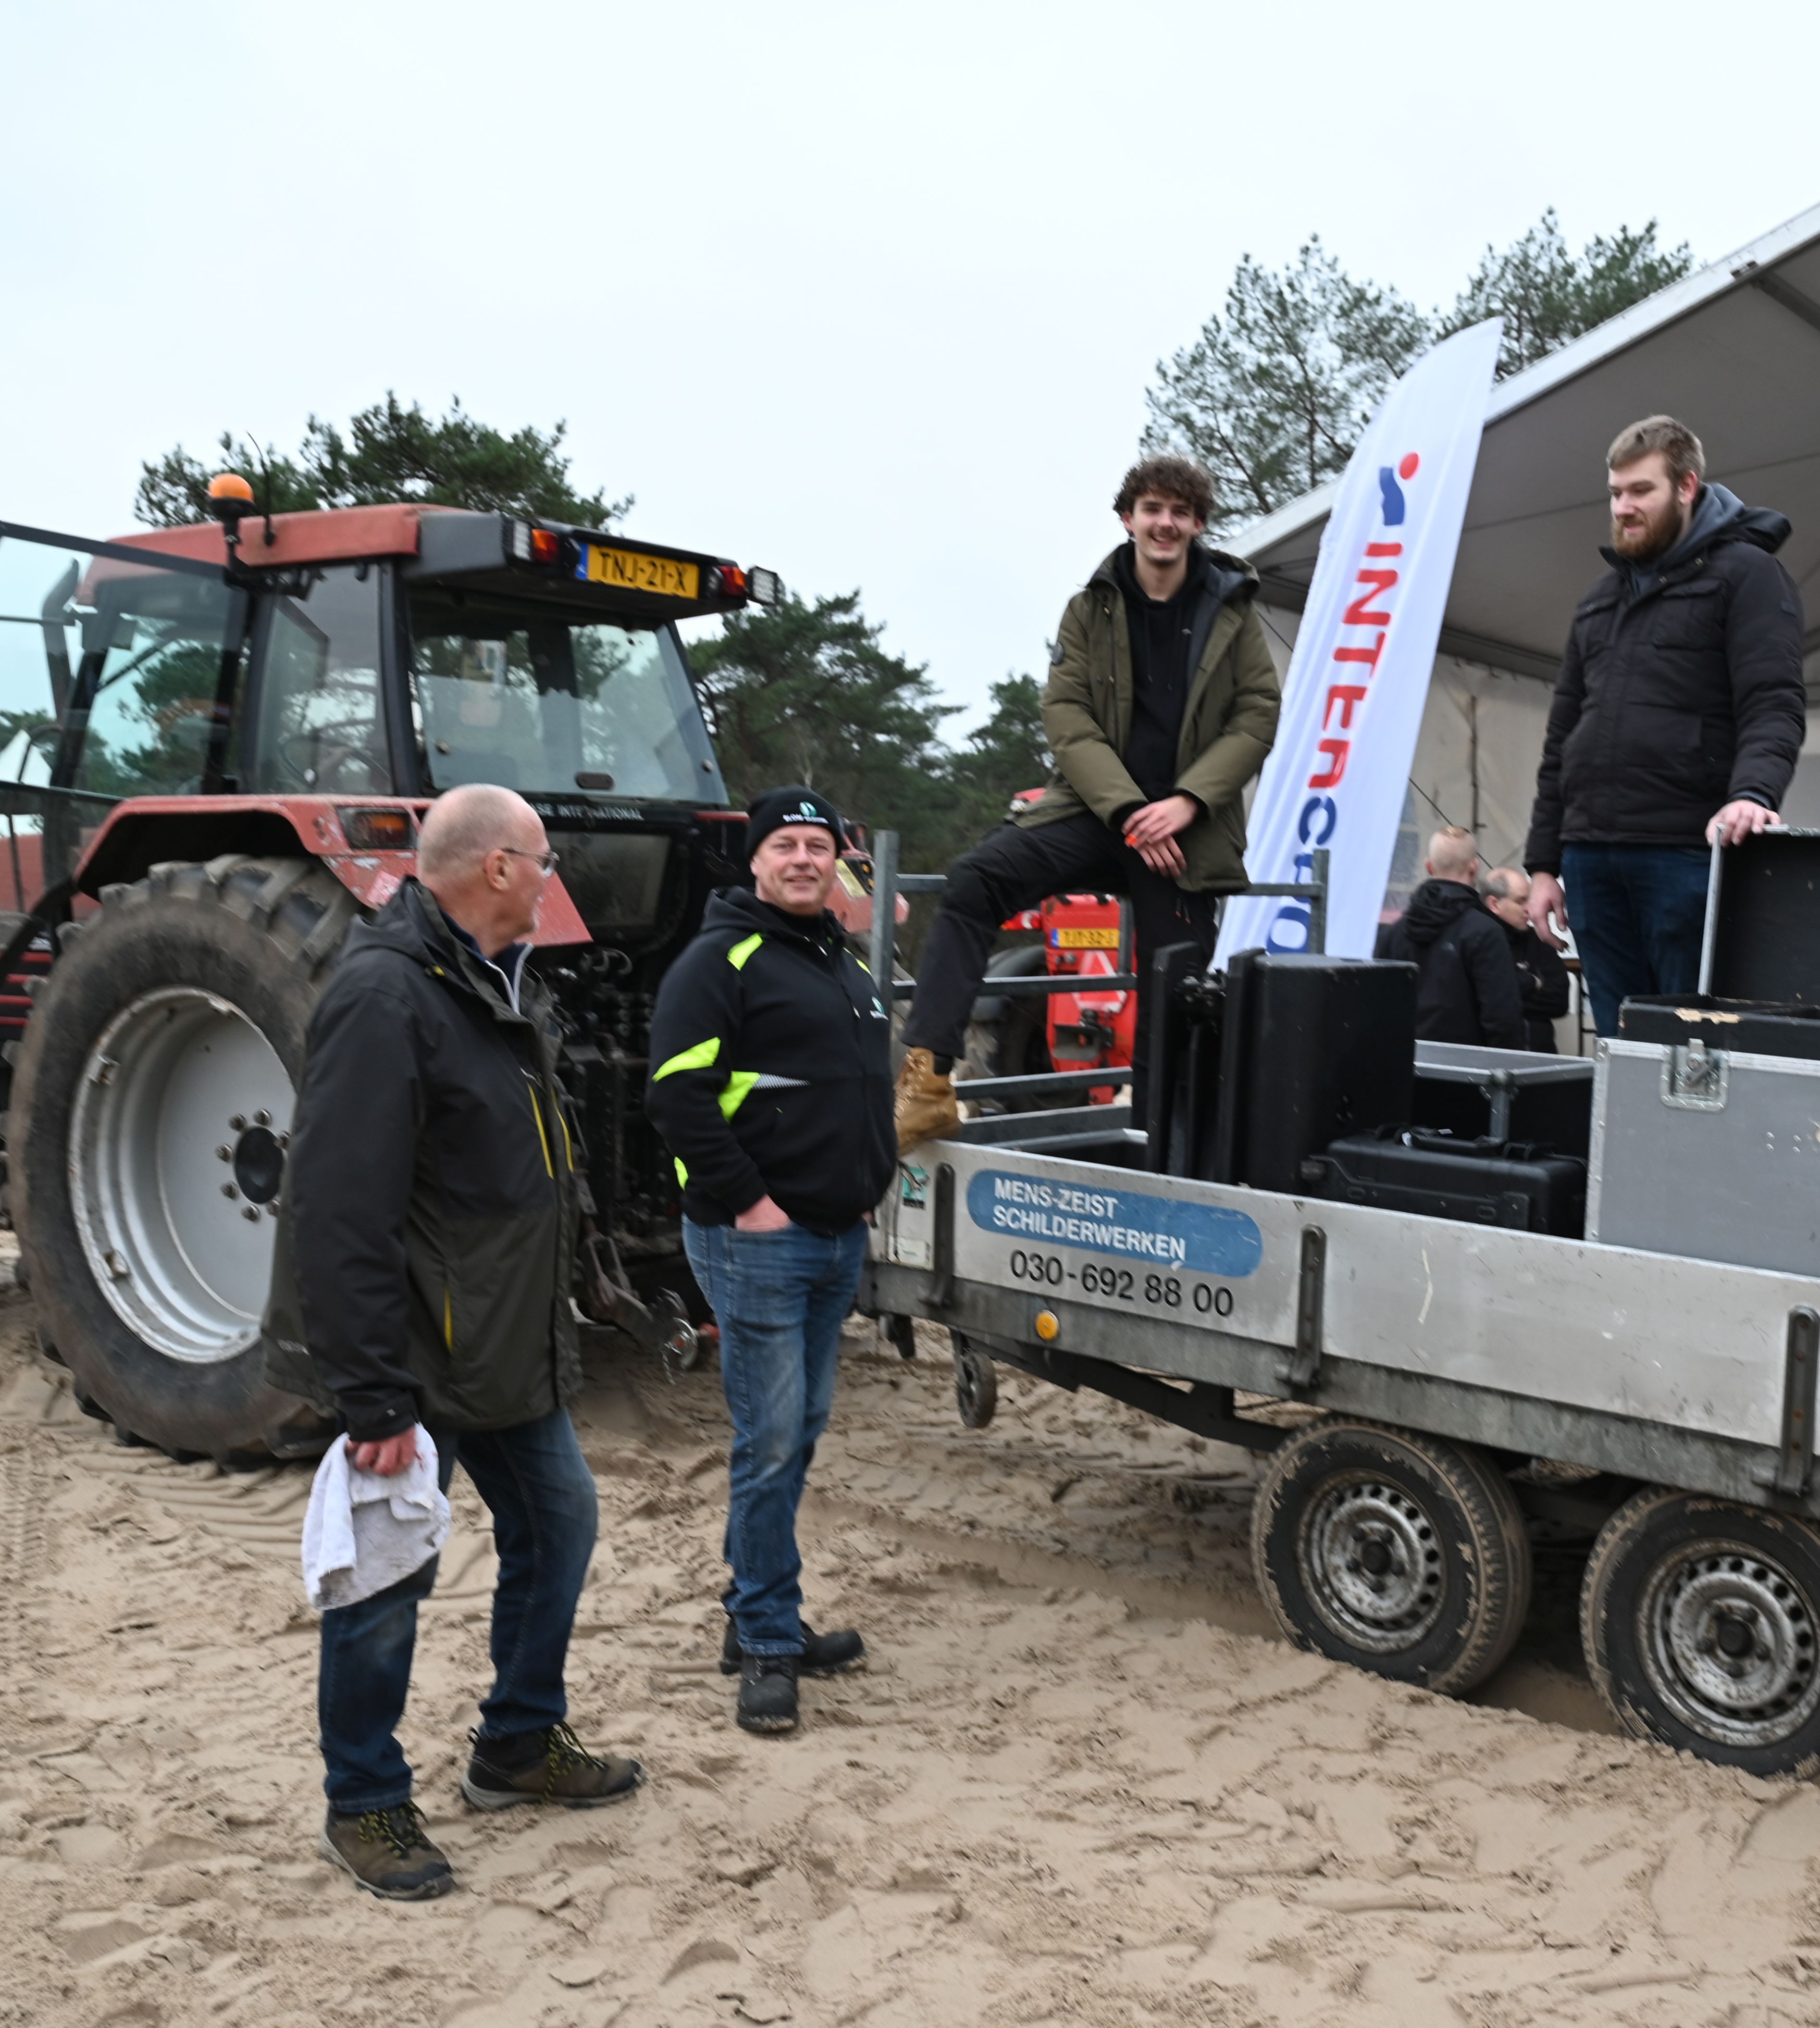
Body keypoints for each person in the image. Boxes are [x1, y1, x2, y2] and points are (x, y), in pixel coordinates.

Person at [269, 782, 641, 1903]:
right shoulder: (387, 994)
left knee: (560, 1521)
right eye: (544, 859)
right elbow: (337, 1209)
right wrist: (374, 1395)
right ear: (497, 868)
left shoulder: (493, 980)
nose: (552, 878)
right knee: (388, 1577)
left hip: (504, 1342)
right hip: (421, 1358)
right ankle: (365, 1801)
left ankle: (518, 1741)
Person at [895, 454, 1282, 1148]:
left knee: (1176, 991)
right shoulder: (1088, 609)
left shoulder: (1232, 609)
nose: (1165, 523)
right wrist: (1130, 811)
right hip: (1095, 812)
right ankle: (928, 1085)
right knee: (974, 881)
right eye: (1152, 509)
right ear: (1128, 518)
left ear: (1198, 524)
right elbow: (1067, 716)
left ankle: (1165, 1145)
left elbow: (1257, 716)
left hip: (1184, 832)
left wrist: (1188, 802)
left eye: (1180, 511)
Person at [647, 786, 895, 1735]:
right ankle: (765, 1642)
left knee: (799, 1428)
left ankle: (756, 1610)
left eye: (817, 846)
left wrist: (864, 1183)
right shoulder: (719, 961)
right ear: (753, 860)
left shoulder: (841, 959)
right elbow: (677, 1097)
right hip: (758, 1238)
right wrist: (752, 1202)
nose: (802, 859)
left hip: (834, 1234)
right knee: (771, 1439)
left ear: (837, 862)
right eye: (784, 845)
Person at [1522, 416, 1806, 1037]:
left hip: (1687, 854)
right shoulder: (1598, 598)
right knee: (1620, 1043)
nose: (1623, 507)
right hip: (1591, 859)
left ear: (1687, 487)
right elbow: (1561, 740)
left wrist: (1753, 793)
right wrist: (1542, 866)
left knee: (1696, 1044)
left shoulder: (1748, 574)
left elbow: (1773, 700)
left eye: (1640, 491)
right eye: (1615, 493)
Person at [1373, 826, 1525, 1049]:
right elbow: (1503, 1018)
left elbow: (1378, 1010)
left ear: (1429, 866)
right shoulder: (1486, 933)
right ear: (1474, 867)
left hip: (1406, 1063)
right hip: (1468, 1066)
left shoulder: (1393, 934)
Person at [1480, 867, 1573, 1050]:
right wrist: (1532, 982)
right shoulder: (1477, 941)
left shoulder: (1538, 942)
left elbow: (1559, 1001)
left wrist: (1505, 996)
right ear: (1495, 904)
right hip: (1489, 1057)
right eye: (1521, 901)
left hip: (1540, 1057)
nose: (1529, 909)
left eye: (1530, 900)